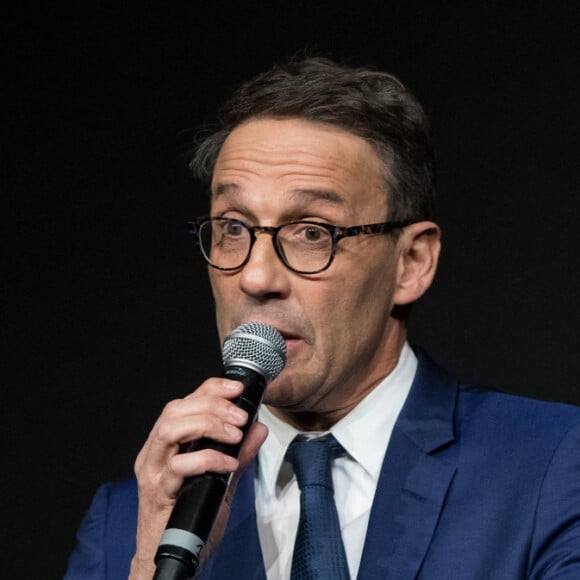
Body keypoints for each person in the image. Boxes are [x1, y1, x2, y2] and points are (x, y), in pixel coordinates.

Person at [65, 57, 580, 579]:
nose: (256, 278)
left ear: (411, 263)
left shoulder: (553, 466)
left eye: (313, 232)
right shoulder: (127, 526)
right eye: (234, 228)